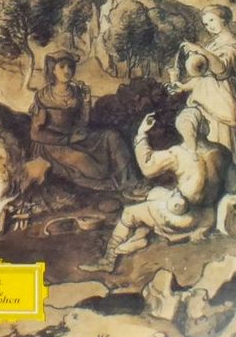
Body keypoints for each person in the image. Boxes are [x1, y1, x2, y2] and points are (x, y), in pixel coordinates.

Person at [79, 107, 227, 272]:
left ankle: (108, 260)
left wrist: (142, 134)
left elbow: (147, 168)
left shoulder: (178, 153)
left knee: (129, 213)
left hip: (184, 218)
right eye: (204, 121)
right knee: (153, 193)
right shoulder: (221, 152)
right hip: (207, 216)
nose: (207, 123)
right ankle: (140, 237)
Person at [29, 50, 147, 199]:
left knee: (112, 136)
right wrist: (67, 139)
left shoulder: (76, 92)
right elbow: (35, 134)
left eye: (70, 66)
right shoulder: (44, 96)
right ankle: (114, 186)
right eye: (62, 66)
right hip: (53, 145)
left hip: (76, 138)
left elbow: (83, 123)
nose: (67, 70)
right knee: (95, 170)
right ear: (53, 69)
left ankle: (130, 184)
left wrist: (86, 102)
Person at [172, 4, 236, 179]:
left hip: (222, 104)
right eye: (206, 24)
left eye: (212, 20)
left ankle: (228, 182)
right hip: (203, 102)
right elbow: (204, 76)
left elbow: (221, 70)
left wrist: (200, 50)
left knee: (223, 144)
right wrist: (183, 86)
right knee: (207, 148)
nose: (209, 26)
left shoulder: (233, 44)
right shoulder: (212, 44)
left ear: (224, 19)